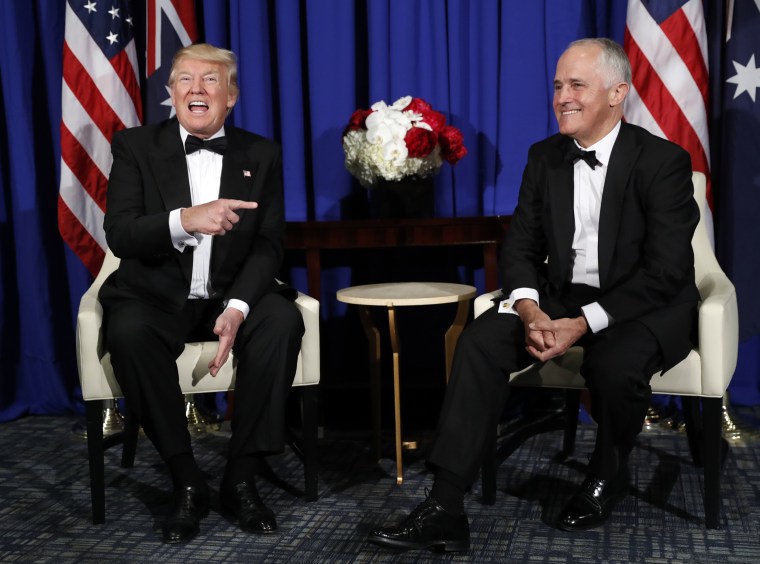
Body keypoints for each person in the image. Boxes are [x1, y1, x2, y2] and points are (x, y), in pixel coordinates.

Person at [367, 37, 700, 552]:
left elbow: (666, 272)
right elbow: (519, 247)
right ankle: (445, 504)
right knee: (479, 341)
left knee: (614, 368)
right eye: (558, 85)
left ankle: (605, 477)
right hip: (559, 298)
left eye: (577, 86)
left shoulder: (664, 162)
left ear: (618, 94)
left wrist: (582, 323)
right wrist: (528, 307)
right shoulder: (544, 157)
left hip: (643, 304)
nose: (562, 97)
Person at [100, 43, 304, 544]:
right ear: (171, 93)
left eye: (210, 80)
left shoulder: (262, 152)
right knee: (127, 332)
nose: (196, 88)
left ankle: (240, 478)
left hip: (228, 294)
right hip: (154, 295)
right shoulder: (135, 147)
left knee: (281, 321)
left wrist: (238, 307)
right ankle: (186, 479)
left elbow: (268, 244)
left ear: (230, 96)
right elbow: (120, 233)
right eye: (185, 79)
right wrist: (184, 220)